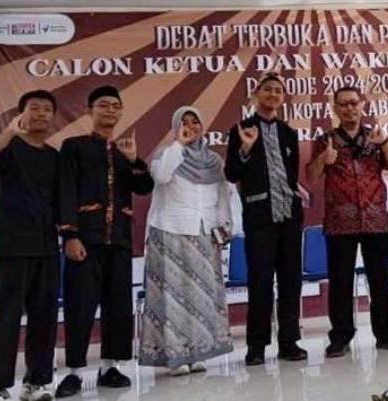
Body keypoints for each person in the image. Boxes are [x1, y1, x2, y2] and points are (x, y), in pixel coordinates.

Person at [55, 85, 154, 398]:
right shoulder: (74, 146)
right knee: (80, 305)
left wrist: (135, 160)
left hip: (119, 240)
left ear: (121, 111)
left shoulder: (124, 151)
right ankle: (74, 372)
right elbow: (65, 190)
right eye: (103, 105)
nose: (110, 110)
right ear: (90, 110)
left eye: (115, 105)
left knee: (118, 305)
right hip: (85, 240)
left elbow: (144, 187)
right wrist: (70, 234)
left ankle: (111, 366)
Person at [0, 90, 60, 401]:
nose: (41, 114)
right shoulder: (8, 148)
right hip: (11, 247)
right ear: (21, 114)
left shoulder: (54, 157)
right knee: (4, 317)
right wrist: (7, 134)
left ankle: (36, 382)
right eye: (34, 108)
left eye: (47, 109)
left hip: (47, 248)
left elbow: (61, 201)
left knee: (44, 318)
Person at [307, 86, 388, 358]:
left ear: (362, 105)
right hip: (340, 222)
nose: (349, 108)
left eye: (353, 103)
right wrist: (322, 159)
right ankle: (340, 337)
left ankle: (385, 334)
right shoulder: (325, 140)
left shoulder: (375, 137)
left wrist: (385, 143)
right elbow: (311, 177)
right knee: (340, 283)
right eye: (343, 104)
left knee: (379, 281)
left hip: (376, 220)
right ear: (335, 109)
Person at [139, 106, 233, 375]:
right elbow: (161, 177)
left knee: (201, 296)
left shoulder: (213, 160)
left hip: (204, 233)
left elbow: (222, 196)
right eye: (184, 122)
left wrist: (225, 225)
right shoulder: (166, 154)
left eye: (195, 122)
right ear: (176, 126)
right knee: (173, 296)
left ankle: (198, 351)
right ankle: (175, 356)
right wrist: (179, 144)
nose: (190, 126)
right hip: (169, 231)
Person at [224, 73, 308, 366]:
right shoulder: (241, 129)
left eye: (278, 91)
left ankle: (289, 342)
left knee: (291, 280)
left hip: (289, 216)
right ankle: (256, 347)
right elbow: (232, 173)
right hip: (260, 216)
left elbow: (292, 176)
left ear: (283, 98)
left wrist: (296, 197)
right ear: (257, 94)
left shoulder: (288, 133)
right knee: (260, 282)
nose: (273, 94)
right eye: (268, 89)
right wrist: (245, 149)